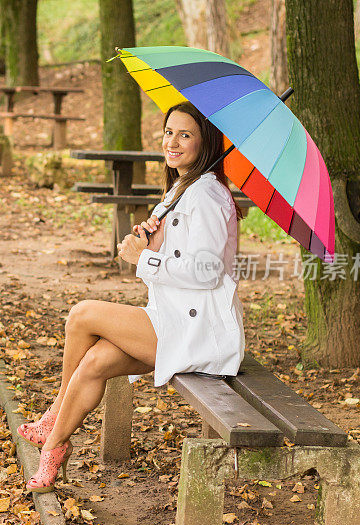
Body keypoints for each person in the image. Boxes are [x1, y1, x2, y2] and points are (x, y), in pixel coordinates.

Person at [17, 101, 245, 493]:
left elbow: (207, 273)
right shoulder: (183, 188)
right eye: (169, 132)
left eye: (185, 135)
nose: (172, 142)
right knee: (94, 362)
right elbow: (180, 259)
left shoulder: (206, 193)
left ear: (205, 142)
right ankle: (54, 450)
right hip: (176, 318)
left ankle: (54, 417)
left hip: (199, 330)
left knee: (82, 315)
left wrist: (147, 259)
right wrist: (152, 241)